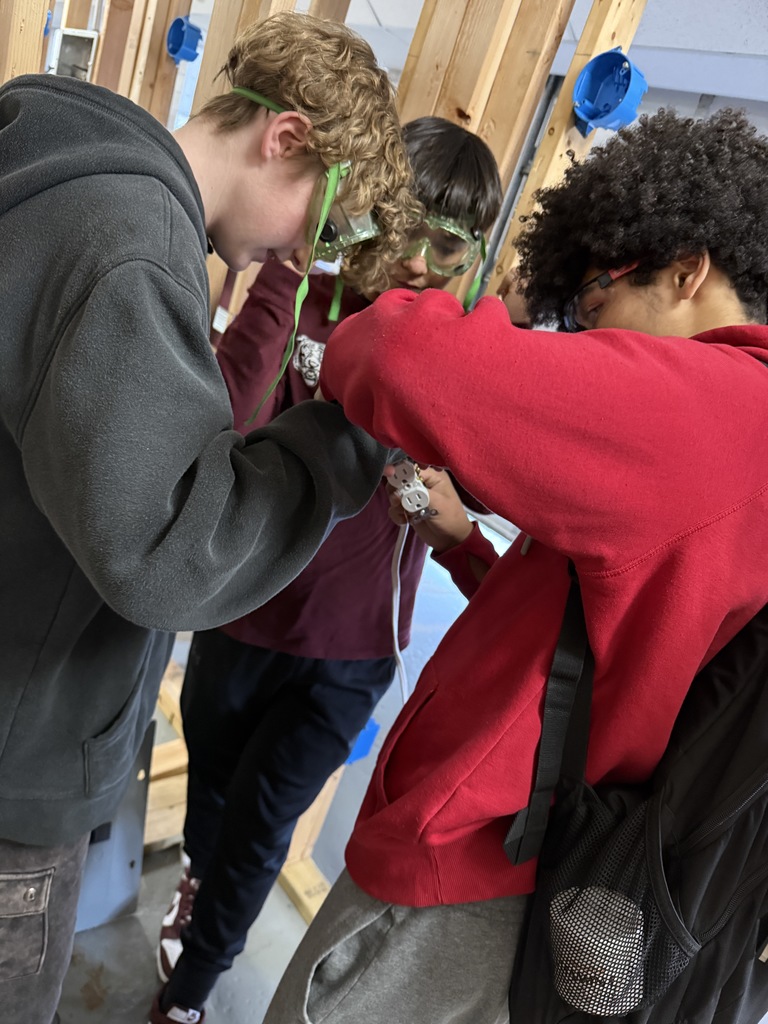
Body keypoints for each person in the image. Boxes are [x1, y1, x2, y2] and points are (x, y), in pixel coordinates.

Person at [262, 107, 768, 1024]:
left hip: (468, 869)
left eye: (598, 305)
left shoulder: (716, 412)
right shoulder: (733, 447)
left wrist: (464, 304)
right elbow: (620, 645)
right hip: (537, 863)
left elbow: (399, 356)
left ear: (687, 271)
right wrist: (468, 547)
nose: (589, 339)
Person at [0, 12, 421, 1024]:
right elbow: (171, 546)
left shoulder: (58, 158)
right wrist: (352, 431)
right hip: (17, 756)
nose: (302, 252)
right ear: (286, 138)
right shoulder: (131, 251)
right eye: (320, 220)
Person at [152, 116, 502, 1024]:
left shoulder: (461, 352)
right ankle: (194, 881)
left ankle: (190, 993)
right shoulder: (307, 297)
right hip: (243, 610)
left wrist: (445, 492)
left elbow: (480, 494)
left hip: (351, 651)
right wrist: (288, 273)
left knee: (262, 827)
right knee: (212, 790)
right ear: (372, 211)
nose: (418, 263)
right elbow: (225, 414)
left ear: (472, 258)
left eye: (447, 249)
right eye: (406, 229)